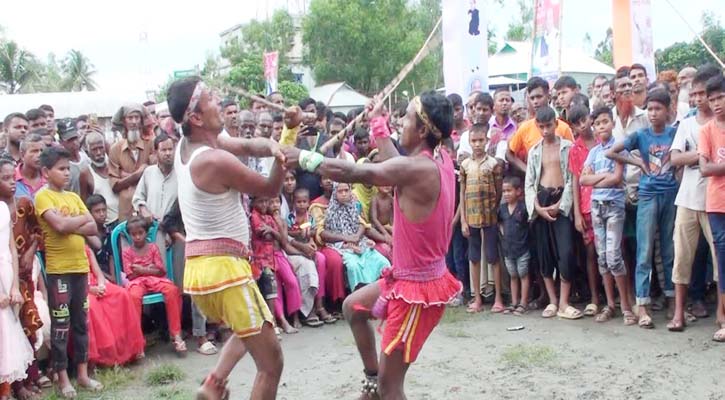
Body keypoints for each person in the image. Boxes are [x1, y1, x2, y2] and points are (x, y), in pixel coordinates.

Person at [281, 91, 462, 400]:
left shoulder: (418, 169)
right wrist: (378, 122)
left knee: (392, 389)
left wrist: (305, 157)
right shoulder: (437, 158)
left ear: (421, 131)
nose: (400, 123)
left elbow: (357, 172)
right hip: (408, 280)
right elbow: (396, 163)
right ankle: (372, 380)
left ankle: (378, 386)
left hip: (417, 293)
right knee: (354, 308)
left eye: (405, 118)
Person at [168, 76, 286, 399]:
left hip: (205, 272)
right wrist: (285, 148)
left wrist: (274, 144)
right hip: (224, 273)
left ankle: (214, 383)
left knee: (255, 325)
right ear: (195, 117)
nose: (219, 100)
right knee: (271, 362)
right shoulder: (213, 160)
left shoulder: (189, 147)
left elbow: (249, 146)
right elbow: (270, 189)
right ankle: (214, 383)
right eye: (211, 98)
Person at [606, 89, 678, 329]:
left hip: (670, 195)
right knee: (644, 250)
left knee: (669, 250)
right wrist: (635, 160)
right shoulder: (640, 135)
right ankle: (643, 306)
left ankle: (671, 300)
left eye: (658, 109)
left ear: (668, 110)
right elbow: (611, 151)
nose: (654, 113)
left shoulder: (675, 134)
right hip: (647, 195)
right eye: (650, 109)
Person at [34, 146, 102, 398]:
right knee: (61, 326)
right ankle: (63, 379)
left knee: (81, 324)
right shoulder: (43, 197)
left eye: (67, 168)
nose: (66, 173)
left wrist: (68, 227)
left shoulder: (73, 198)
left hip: (80, 269)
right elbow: (59, 225)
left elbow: (93, 227)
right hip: (59, 271)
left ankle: (83, 375)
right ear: (46, 171)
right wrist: (75, 224)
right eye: (61, 169)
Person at [668, 65, 722, 332]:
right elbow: (674, 158)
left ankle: (721, 315)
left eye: (705, 94)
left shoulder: (719, 126)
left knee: (720, 258)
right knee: (682, 257)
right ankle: (678, 313)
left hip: (716, 201)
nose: (700, 99)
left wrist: (700, 157)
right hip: (688, 199)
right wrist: (701, 154)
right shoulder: (687, 123)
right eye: (696, 94)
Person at [581, 106, 635, 325]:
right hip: (596, 206)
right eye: (598, 123)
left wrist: (597, 177)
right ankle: (611, 305)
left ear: (612, 123)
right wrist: (604, 176)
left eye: (605, 121)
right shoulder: (594, 152)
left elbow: (617, 178)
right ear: (593, 127)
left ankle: (627, 307)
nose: (601, 126)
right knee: (602, 257)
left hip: (614, 204)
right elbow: (583, 180)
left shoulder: (618, 148)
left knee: (614, 256)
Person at [525, 106, 579, 320]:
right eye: (541, 126)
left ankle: (564, 301)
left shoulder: (568, 148)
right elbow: (529, 182)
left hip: (562, 200)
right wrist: (537, 207)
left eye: (549, 126)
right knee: (544, 254)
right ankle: (552, 301)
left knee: (565, 253)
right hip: (542, 200)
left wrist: (562, 204)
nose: (545, 130)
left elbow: (571, 179)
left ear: (556, 124)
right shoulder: (534, 151)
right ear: (537, 126)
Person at [0, 158, 41, 400]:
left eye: (12, 177)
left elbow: (12, 248)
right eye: (4, 179)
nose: (11, 183)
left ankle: (22, 382)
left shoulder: (15, 207)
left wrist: (14, 284)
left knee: (23, 326)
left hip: (15, 276)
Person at [122, 216, 185, 353]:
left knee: (172, 290)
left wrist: (141, 269)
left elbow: (161, 270)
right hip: (137, 282)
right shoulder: (127, 252)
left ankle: (176, 334)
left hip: (155, 280)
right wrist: (150, 269)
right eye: (134, 234)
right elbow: (130, 274)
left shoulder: (153, 247)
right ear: (129, 235)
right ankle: (137, 342)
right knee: (133, 296)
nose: (137, 237)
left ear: (146, 233)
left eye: (140, 233)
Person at [459, 123, 504, 313]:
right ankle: (477, 298)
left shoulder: (494, 164)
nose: (477, 144)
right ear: (469, 142)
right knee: (474, 257)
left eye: (480, 140)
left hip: (490, 217)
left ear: (487, 141)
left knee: (493, 256)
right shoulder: (465, 165)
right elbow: (462, 193)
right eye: (473, 141)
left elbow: (499, 190)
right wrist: (463, 219)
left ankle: (498, 298)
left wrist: (495, 211)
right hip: (471, 218)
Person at [322, 183, 390, 290]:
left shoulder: (355, 206)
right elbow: (325, 234)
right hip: (343, 247)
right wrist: (348, 241)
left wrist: (358, 238)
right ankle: (358, 295)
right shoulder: (330, 212)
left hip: (361, 243)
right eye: (340, 191)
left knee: (383, 262)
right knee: (354, 266)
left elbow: (362, 224)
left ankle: (382, 292)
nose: (344, 194)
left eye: (346, 190)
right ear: (335, 193)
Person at [698, 73, 725, 343]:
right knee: (723, 261)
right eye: (712, 98)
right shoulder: (706, 130)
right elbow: (704, 168)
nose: (716, 103)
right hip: (717, 204)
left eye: (721, 97)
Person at [86, 246, 145, 366]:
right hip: (82, 290)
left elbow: (98, 273)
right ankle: (104, 355)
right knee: (92, 306)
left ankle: (130, 348)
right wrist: (91, 290)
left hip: (97, 284)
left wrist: (101, 285)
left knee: (122, 294)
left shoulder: (85, 249)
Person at [567, 105, 600, 317]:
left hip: (608, 202)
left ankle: (624, 296)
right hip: (586, 207)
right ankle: (595, 298)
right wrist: (577, 214)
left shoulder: (603, 141)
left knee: (618, 251)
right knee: (590, 254)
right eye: (577, 123)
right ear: (573, 127)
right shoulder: (575, 149)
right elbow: (575, 182)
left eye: (585, 119)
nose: (583, 125)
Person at [286, 187, 337, 325]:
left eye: (304, 202)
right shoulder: (290, 217)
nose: (301, 204)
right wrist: (300, 235)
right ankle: (308, 310)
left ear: (309, 202)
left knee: (320, 259)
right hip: (294, 248)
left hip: (308, 245)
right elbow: (288, 234)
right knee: (306, 264)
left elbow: (314, 232)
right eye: (299, 202)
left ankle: (319, 305)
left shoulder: (310, 217)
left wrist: (311, 240)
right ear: (293, 202)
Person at [507, 77, 574, 175]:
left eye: (539, 97)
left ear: (548, 96)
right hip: (535, 185)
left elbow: (573, 156)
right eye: (532, 98)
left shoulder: (562, 127)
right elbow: (509, 154)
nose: (535, 101)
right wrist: (528, 171)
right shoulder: (525, 128)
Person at [108, 104, 153, 222]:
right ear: (124, 121)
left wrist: (125, 176)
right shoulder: (115, 149)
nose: (134, 122)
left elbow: (154, 175)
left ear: (141, 121)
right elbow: (114, 185)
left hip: (149, 206)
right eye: (130, 118)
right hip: (126, 210)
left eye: (137, 118)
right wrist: (138, 174)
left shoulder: (151, 145)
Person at [499, 176, 530, 315]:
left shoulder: (523, 207)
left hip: (522, 249)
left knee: (523, 274)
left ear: (518, 191)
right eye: (504, 191)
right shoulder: (502, 209)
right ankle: (514, 302)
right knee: (513, 275)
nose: (506, 194)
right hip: (508, 249)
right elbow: (499, 223)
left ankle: (523, 302)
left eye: (509, 191)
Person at [79, 132, 119, 224]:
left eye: (101, 148)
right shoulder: (85, 173)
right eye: (94, 149)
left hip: (123, 220)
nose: (99, 153)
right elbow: (84, 203)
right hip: (106, 225)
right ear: (88, 152)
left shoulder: (114, 166)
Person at [85, 195, 116, 280]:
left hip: (109, 273)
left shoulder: (109, 232)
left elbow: (111, 257)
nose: (102, 214)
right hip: (92, 275)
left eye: (104, 210)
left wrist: (113, 277)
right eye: (97, 211)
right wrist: (107, 277)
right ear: (90, 213)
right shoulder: (86, 234)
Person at [457, 92, 494, 160]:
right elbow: (462, 160)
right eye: (479, 109)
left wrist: (471, 158)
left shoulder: (496, 135)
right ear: (474, 110)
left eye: (485, 110)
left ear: (492, 112)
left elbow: (499, 164)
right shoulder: (465, 136)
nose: (481, 113)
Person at [58, 124, 89, 195]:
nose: (74, 142)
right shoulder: (62, 167)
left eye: (75, 138)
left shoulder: (85, 158)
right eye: (70, 140)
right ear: (61, 142)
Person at [14, 135, 46, 200]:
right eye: (34, 151)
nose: (40, 155)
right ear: (22, 155)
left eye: (42, 151)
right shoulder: (10, 178)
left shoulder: (50, 179)